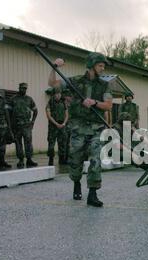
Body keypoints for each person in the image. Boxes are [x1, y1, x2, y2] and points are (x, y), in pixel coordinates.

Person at [48, 52, 113, 207]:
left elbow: (108, 105)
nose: (102, 68)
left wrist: (94, 103)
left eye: (103, 66)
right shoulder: (74, 81)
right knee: (75, 160)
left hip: (96, 128)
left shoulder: (104, 85)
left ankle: (92, 193)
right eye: (100, 65)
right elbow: (52, 83)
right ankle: (76, 183)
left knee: (95, 159)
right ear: (91, 65)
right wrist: (55, 66)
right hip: (78, 128)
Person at [10, 83, 38, 169]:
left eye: (25, 88)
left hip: (27, 125)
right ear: (19, 88)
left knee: (28, 143)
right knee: (18, 143)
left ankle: (29, 159)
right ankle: (21, 160)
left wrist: (32, 122)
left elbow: (35, 110)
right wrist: (10, 125)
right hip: (16, 125)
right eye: (22, 88)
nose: (24, 90)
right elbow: (8, 112)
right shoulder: (13, 99)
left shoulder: (29, 99)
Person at [46, 87, 69, 166]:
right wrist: (56, 124)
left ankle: (62, 160)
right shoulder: (50, 103)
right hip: (53, 126)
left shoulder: (63, 102)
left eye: (59, 94)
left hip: (62, 126)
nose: (58, 95)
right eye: (56, 94)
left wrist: (64, 123)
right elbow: (49, 116)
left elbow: (66, 114)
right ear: (54, 95)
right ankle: (51, 159)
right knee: (51, 144)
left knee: (62, 143)